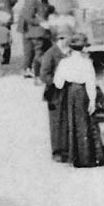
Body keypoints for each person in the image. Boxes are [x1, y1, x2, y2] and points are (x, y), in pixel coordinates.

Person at [53, 33, 104, 168]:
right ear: (84, 48)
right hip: (83, 92)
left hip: (70, 93)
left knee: (73, 123)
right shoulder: (86, 63)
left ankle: (76, 157)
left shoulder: (64, 62)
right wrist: (92, 101)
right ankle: (89, 158)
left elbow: (58, 84)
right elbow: (91, 83)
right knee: (87, 123)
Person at [40, 32, 71, 162]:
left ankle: (68, 149)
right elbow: (44, 74)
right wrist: (56, 81)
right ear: (60, 39)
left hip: (68, 90)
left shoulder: (69, 52)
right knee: (56, 122)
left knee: (67, 120)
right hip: (55, 92)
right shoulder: (50, 53)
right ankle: (57, 151)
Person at [19, 0, 51, 78]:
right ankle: (37, 71)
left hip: (32, 31)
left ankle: (29, 70)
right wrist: (41, 23)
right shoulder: (32, 1)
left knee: (31, 51)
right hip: (35, 31)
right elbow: (28, 17)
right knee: (38, 51)